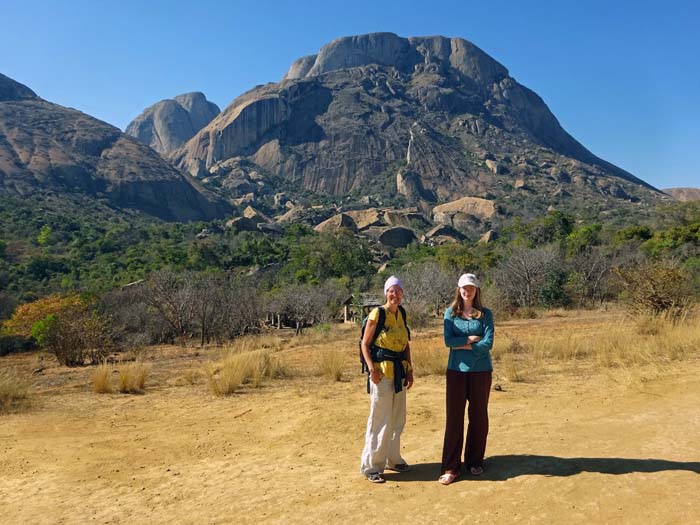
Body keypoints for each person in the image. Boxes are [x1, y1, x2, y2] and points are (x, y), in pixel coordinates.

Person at [438, 273, 494, 485]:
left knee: (479, 417)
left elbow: (488, 343)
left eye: (471, 287)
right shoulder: (450, 313)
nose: (467, 291)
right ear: (458, 289)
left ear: (476, 290)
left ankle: (474, 461)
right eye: (464, 287)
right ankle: (451, 467)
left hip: (481, 371)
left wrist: (462, 345)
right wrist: (470, 340)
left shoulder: (485, 314)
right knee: (454, 418)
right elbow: (448, 341)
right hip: (456, 371)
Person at [360, 275, 414, 483]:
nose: (395, 295)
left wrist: (410, 370)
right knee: (380, 418)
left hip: (399, 372)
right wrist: (371, 369)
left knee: (397, 418)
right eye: (392, 291)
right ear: (386, 293)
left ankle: (394, 459)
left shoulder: (402, 313)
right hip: (381, 373)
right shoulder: (378, 314)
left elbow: (406, 345)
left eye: (398, 291)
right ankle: (372, 466)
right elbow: (365, 344)